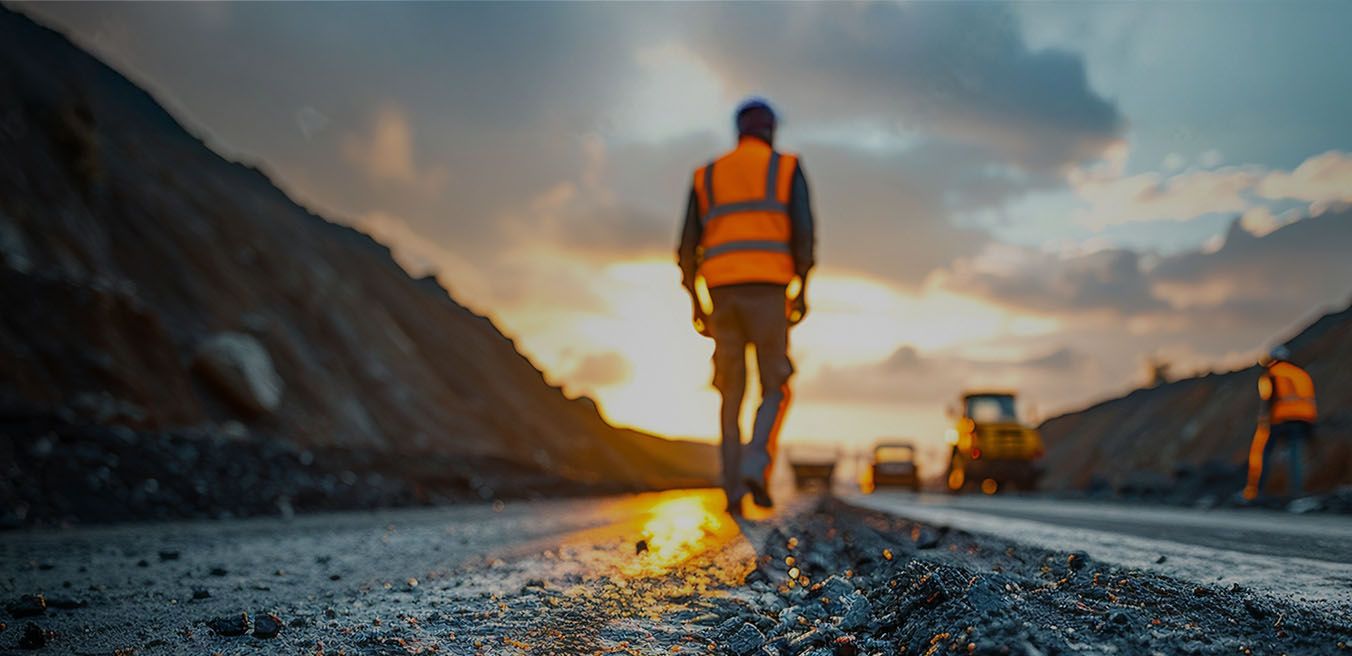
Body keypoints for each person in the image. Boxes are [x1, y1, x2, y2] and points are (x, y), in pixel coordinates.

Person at [677, 97, 816, 514]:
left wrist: (696, 301)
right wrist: (802, 288)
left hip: (722, 293)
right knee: (776, 385)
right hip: (770, 290)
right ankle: (756, 463)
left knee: (730, 392)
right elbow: (804, 234)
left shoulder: (707, 174)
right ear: (771, 130)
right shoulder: (786, 168)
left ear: (738, 130)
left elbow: (686, 247)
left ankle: (733, 489)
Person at [1244, 345, 1317, 500]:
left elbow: (1268, 399)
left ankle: (1257, 491)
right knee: (1296, 454)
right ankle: (1296, 492)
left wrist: (1265, 422)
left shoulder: (1272, 374)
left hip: (1281, 419)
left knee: (1265, 452)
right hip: (1304, 420)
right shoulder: (1300, 373)